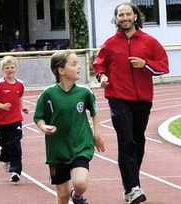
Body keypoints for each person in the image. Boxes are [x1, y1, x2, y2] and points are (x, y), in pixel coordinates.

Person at [92, 3, 169, 203]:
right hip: (118, 98)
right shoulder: (110, 44)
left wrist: (146, 65)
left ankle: (130, 185)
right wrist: (101, 77)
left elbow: (163, 67)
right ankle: (133, 187)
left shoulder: (149, 42)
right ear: (116, 19)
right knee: (126, 141)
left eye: (128, 14)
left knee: (138, 142)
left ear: (135, 16)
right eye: (120, 15)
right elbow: (99, 64)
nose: (124, 18)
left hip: (142, 100)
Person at [34, 51, 105, 204]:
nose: (79, 66)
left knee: (80, 183)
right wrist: (43, 126)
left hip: (80, 145)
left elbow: (95, 111)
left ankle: (78, 196)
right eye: (74, 64)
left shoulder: (84, 92)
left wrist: (96, 133)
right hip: (57, 150)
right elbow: (38, 117)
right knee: (63, 195)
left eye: (78, 63)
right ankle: (70, 196)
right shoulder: (48, 94)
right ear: (61, 70)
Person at [0, 56, 28, 182]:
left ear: (16, 69)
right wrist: (2, 106)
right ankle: (5, 157)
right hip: (2, 120)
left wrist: (23, 107)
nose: (10, 70)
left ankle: (15, 171)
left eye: (12, 67)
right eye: (7, 68)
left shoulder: (20, 84)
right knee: (6, 143)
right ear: (2, 70)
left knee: (15, 143)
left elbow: (20, 97)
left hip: (16, 118)